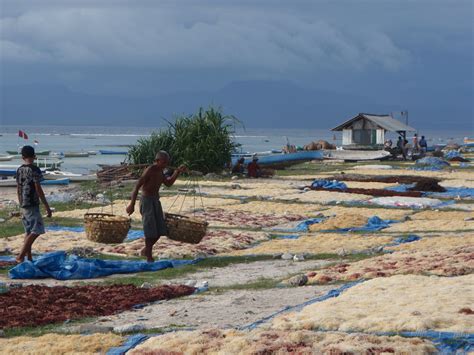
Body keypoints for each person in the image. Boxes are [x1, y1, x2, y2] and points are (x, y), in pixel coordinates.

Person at [126, 151, 186, 262]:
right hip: (147, 201)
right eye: (163, 162)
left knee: (160, 230)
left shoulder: (160, 171)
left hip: (155, 201)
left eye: (167, 163)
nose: (165, 165)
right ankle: (148, 254)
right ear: (157, 161)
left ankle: (146, 249)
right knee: (150, 229)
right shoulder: (150, 170)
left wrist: (177, 172)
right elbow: (136, 187)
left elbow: (168, 183)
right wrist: (132, 204)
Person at [16, 145, 52, 263]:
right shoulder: (35, 169)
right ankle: (21, 256)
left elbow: (18, 188)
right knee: (37, 230)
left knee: (28, 231)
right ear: (34, 157)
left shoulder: (19, 169)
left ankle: (29, 257)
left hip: (23, 203)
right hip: (32, 203)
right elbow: (38, 189)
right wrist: (47, 207)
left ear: (22, 157)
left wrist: (20, 202)